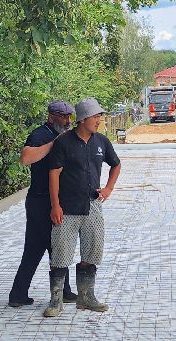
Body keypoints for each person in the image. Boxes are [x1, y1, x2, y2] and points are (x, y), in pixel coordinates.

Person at [45, 98, 122, 317]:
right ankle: (55, 301)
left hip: (92, 206)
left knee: (92, 251)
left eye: (99, 116)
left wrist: (108, 189)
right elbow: (54, 174)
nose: (99, 120)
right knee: (60, 255)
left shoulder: (102, 142)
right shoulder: (63, 142)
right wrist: (55, 205)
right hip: (66, 208)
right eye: (95, 116)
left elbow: (116, 164)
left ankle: (86, 298)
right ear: (82, 119)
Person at [8, 100, 77, 307]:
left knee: (46, 247)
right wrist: (54, 143)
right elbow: (25, 158)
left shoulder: (62, 134)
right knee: (44, 247)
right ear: (51, 116)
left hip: (52, 200)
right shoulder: (40, 134)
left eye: (69, 117)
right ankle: (25, 294)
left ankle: (20, 294)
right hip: (40, 201)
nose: (67, 121)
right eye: (63, 116)